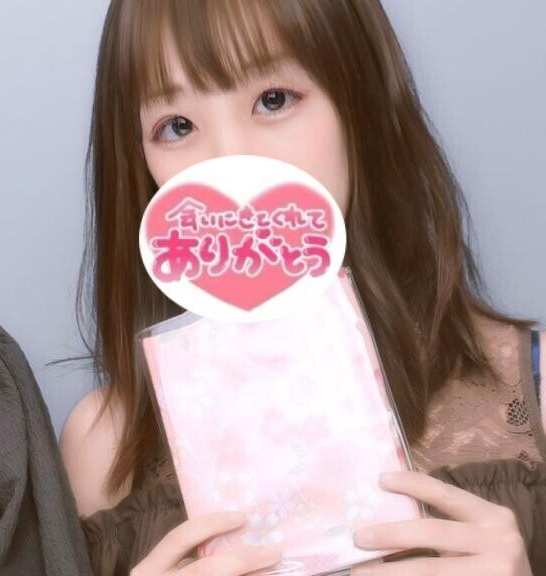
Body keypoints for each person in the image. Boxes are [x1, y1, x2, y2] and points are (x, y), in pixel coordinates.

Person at [58, 0, 546, 574]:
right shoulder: (104, 446)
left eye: (274, 99)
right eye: (178, 126)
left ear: (360, 102)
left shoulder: (532, 396)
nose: (231, 162)